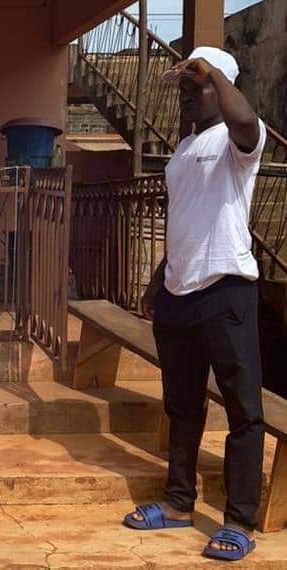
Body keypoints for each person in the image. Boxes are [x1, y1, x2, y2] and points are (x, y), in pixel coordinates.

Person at [123, 47, 267, 562]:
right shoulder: (183, 151)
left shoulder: (238, 140)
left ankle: (239, 521)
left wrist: (214, 74)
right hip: (179, 296)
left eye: (197, 85)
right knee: (182, 407)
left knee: (243, 412)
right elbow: (184, 221)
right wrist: (158, 279)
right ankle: (178, 503)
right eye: (183, 88)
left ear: (222, 88)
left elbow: (245, 119)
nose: (186, 95)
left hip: (226, 292)